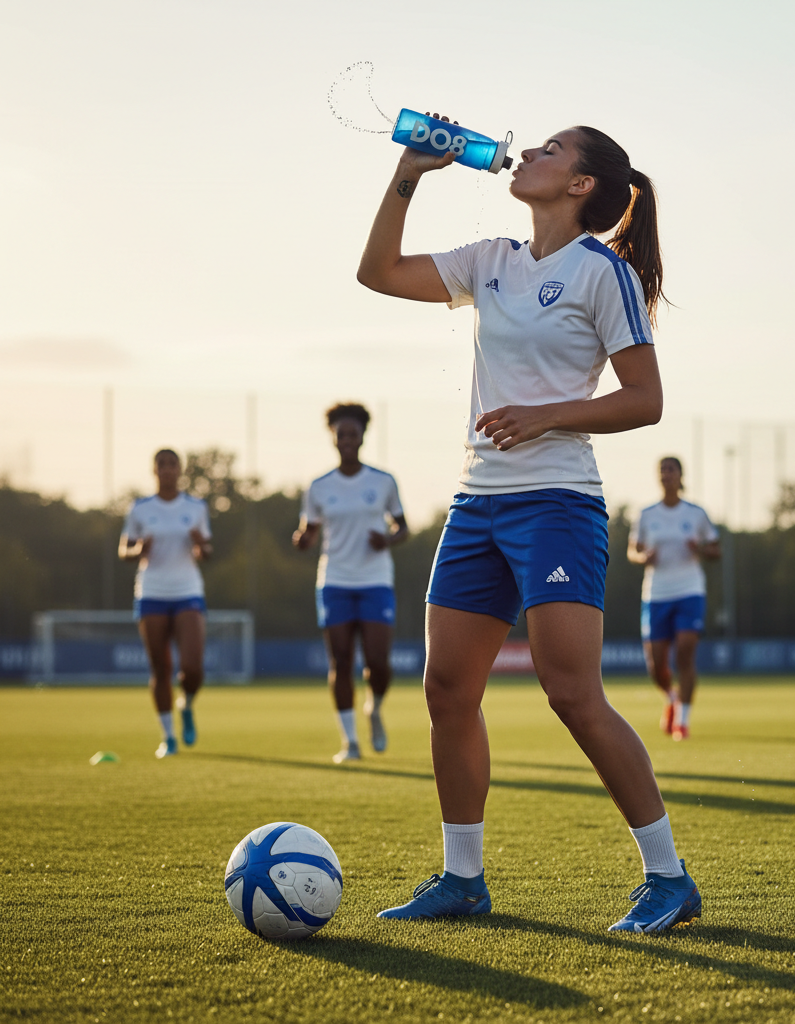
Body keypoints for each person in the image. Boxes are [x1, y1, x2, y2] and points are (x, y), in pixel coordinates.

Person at [356, 117, 701, 933]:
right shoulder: (492, 259)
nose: (532, 153)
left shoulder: (602, 272)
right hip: (477, 504)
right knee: (447, 689)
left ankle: (669, 878)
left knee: (572, 693)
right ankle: (463, 879)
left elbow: (645, 400)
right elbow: (378, 273)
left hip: (557, 503)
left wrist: (548, 415)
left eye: (552, 149)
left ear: (580, 185)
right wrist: (410, 173)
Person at [293, 403, 408, 763]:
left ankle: (374, 707)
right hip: (335, 581)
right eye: (340, 434)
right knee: (340, 661)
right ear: (333, 438)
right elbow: (308, 531)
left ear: (362, 437)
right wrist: (302, 540)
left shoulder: (383, 481)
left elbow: (403, 527)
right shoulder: (319, 486)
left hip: (375, 581)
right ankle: (350, 742)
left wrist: (388, 539)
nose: (346, 440)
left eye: (352, 434)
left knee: (378, 661)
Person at [119, 449, 212, 759]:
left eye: (173, 464)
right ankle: (168, 737)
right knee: (160, 668)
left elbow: (206, 552)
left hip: (187, 590)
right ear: (154, 470)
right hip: (152, 593)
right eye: (162, 464)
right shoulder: (140, 508)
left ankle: (186, 703)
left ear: (180, 470)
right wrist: (137, 551)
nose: (168, 469)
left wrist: (201, 545)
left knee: (192, 668)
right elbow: (124, 550)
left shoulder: (195, 507)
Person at [628, 457, 720, 741]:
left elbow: (716, 550)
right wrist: (643, 557)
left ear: (681, 476)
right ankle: (671, 697)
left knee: (685, 653)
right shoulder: (647, 514)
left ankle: (683, 721)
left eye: (671, 469)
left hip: (689, 590)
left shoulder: (695, 513)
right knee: (656, 666)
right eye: (662, 470)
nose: (666, 474)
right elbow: (632, 551)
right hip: (656, 593)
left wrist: (700, 548)